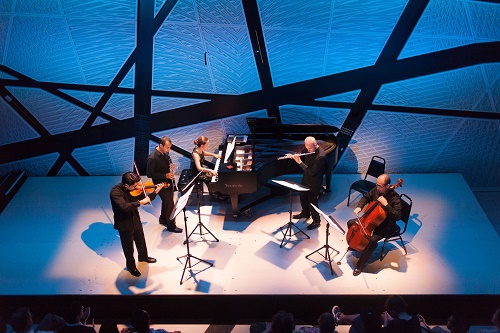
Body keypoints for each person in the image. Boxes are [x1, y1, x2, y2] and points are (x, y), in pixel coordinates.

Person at [346, 173, 402, 276]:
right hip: (371, 220)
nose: (377, 187)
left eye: (380, 186)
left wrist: (387, 205)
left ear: (387, 186)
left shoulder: (395, 199)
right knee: (350, 222)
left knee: (372, 241)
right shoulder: (376, 190)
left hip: (386, 226)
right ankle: (356, 245)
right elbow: (366, 197)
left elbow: (398, 216)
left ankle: (360, 265)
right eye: (377, 184)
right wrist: (360, 206)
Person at [110, 172, 163, 277]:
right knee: (128, 246)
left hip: (135, 217)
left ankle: (143, 257)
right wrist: (140, 202)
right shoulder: (115, 192)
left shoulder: (135, 189)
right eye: (134, 186)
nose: (138, 187)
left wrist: (156, 192)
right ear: (126, 185)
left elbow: (146, 199)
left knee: (140, 239)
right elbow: (124, 207)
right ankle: (131, 266)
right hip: (123, 222)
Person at [146, 136, 182, 233]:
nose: (169, 150)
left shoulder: (165, 153)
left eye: (170, 147)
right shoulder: (153, 158)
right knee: (170, 203)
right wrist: (165, 175)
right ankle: (171, 226)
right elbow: (149, 174)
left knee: (166, 201)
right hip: (160, 183)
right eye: (167, 147)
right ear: (161, 145)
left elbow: (167, 159)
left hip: (167, 180)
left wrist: (170, 164)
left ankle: (163, 219)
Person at [290, 136, 327, 230]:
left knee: (312, 202)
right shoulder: (309, 149)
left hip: (314, 182)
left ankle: (316, 221)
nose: (308, 150)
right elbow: (302, 154)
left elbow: (311, 172)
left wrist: (299, 162)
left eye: (310, 148)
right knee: (303, 197)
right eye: (307, 148)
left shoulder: (321, 156)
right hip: (306, 179)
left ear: (315, 144)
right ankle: (305, 214)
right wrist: (294, 156)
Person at [190, 136, 227, 200]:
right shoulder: (195, 154)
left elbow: (203, 153)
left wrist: (214, 155)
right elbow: (199, 168)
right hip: (197, 174)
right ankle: (214, 194)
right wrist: (210, 170)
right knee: (212, 177)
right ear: (202, 145)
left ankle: (220, 191)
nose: (208, 145)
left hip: (200, 171)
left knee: (214, 174)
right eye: (207, 144)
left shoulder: (199, 149)